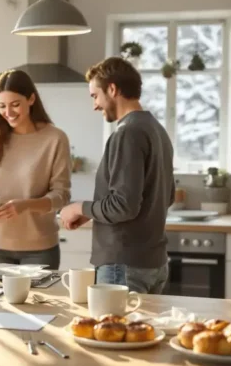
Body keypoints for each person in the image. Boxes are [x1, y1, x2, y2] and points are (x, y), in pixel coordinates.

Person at [60, 57, 174, 294]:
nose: (95, 105)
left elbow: (124, 206)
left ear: (112, 89)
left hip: (123, 266)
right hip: (153, 263)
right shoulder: (156, 130)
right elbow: (167, 196)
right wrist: (94, 214)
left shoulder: (127, 133)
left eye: (95, 96)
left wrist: (79, 207)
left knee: (109, 330)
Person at [0, 69, 71, 269]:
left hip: (40, 248)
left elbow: (61, 195)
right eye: (2, 106)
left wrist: (26, 205)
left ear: (31, 99)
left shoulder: (55, 138)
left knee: (42, 301)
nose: (8, 113)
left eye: (15, 105)